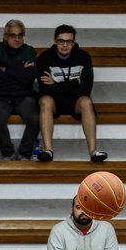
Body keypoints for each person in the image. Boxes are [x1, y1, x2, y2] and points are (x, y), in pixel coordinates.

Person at [35, 25, 107, 163]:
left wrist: (55, 84)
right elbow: (45, 89)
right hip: (54, 101)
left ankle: (93, 151)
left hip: (76, 101)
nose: (65, 45)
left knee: (86, 101)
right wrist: (75, 82)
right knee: (45, 100)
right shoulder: (44, 57)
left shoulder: (83, 56)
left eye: (69, 41)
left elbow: (86, 88)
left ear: (74, 42)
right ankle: (48, 151)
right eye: (61, 41)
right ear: (55, 41)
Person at [0, 19, 40, 161]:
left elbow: (29, 78)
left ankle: (24, 154)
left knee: (35, 118)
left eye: (20, 35)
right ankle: (8, 153)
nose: (17, 39)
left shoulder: (29, 51)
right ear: (5, 36)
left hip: (24, 95)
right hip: (0, 96)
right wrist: (20, 70)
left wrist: (6, 69)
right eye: (12, 35)